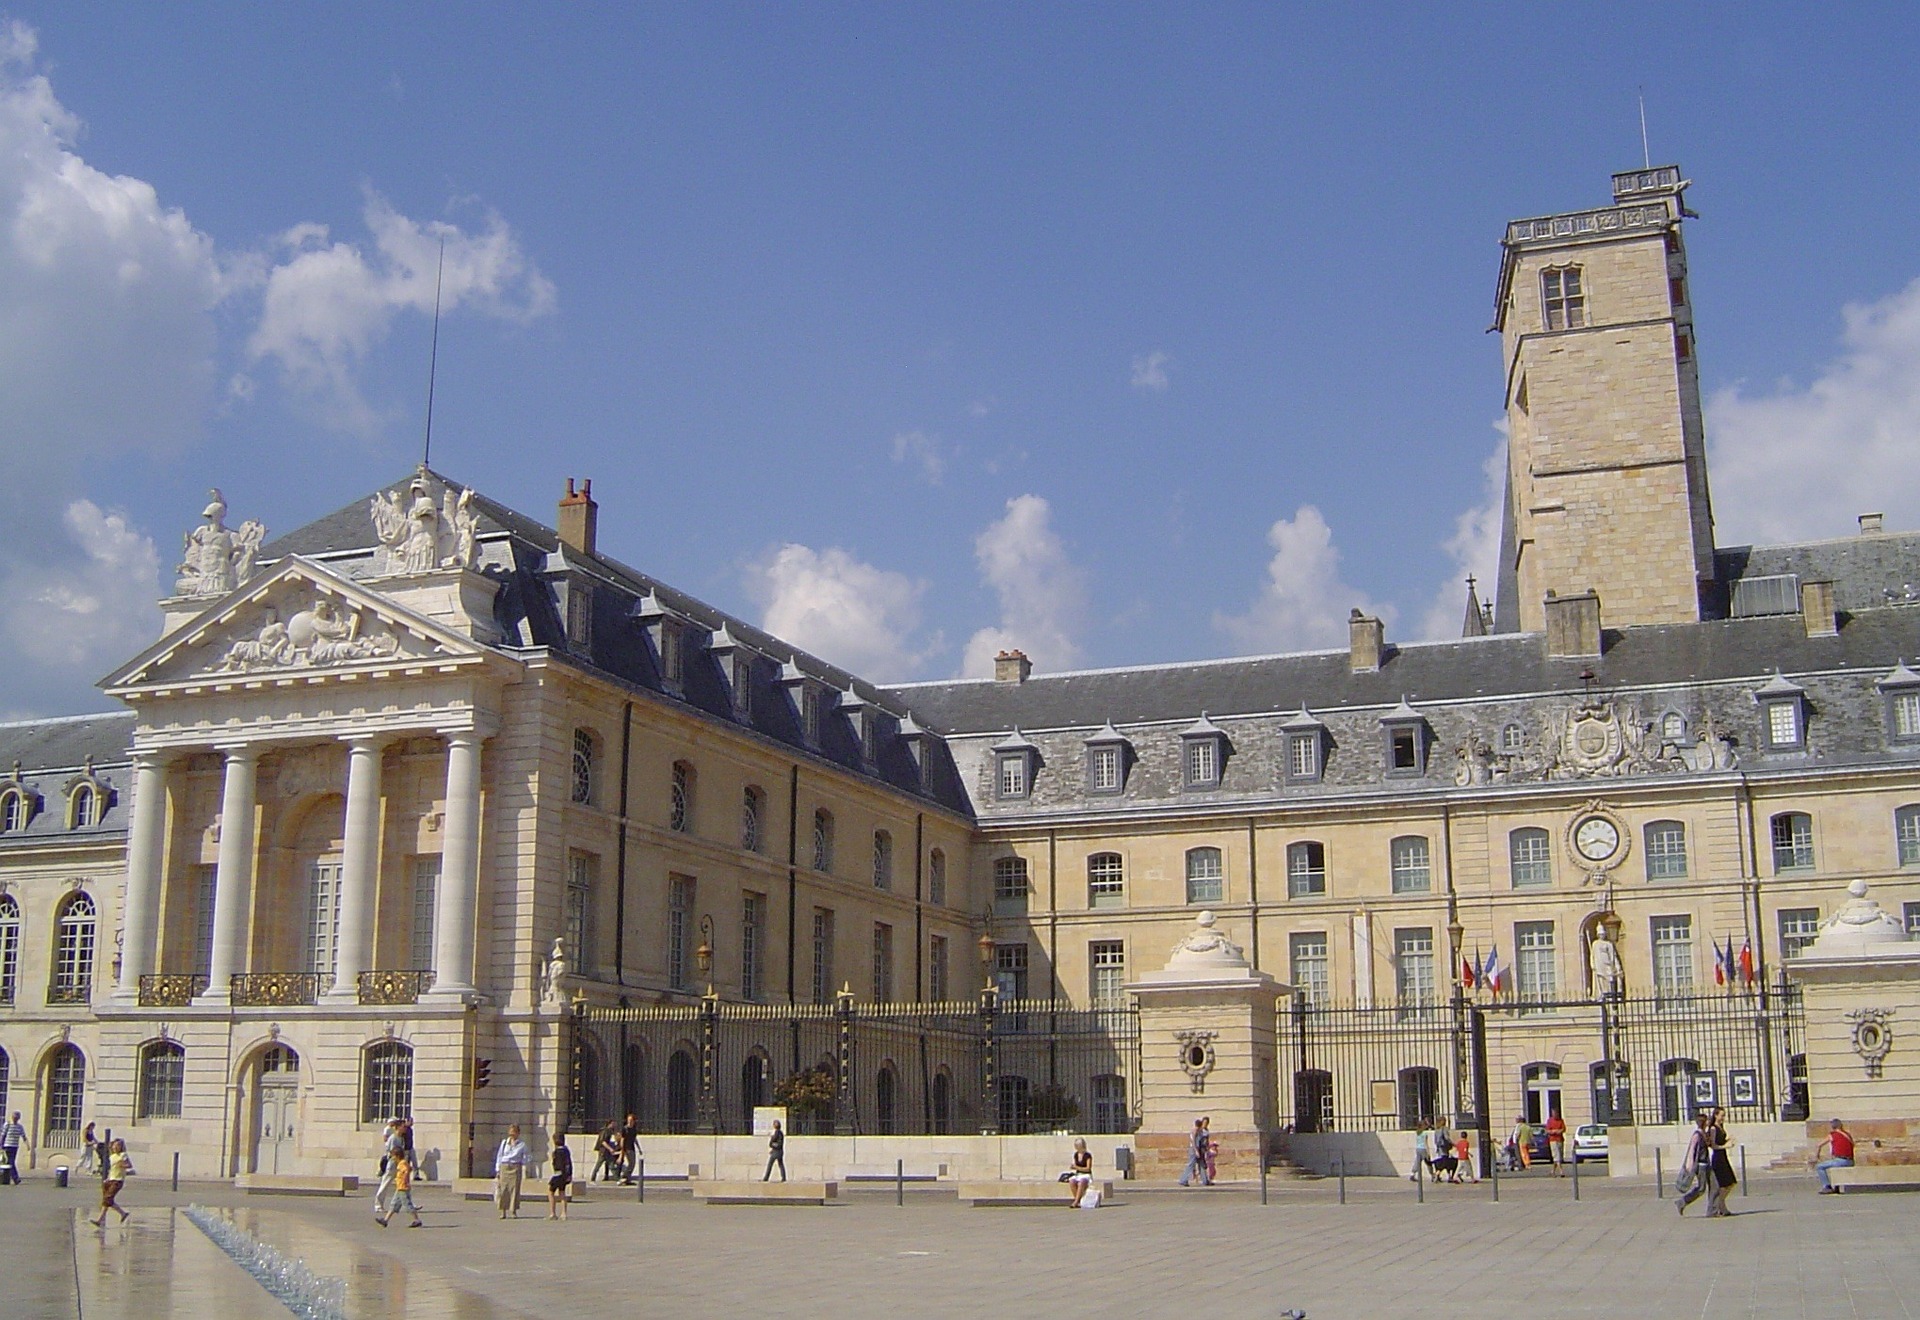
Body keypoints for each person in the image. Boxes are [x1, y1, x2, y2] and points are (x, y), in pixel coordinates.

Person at [1675, 1112, 1711, 1215]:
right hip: (1700, 1165)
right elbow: (1691, 1151)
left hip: (1706, 1163)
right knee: (1701, 1188)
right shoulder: (1697, 1135)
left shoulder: (1703, 1133)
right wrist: (1689, 1166)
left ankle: (1714, 1207)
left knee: (1711, 1185)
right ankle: (1682, 1201)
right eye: (1707, 1120)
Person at [1704, 1109, 1737, 1218]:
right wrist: (1726, 1146)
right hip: (1718, 1158)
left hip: (1723, 1157)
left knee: (1731, 1183)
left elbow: (1721, 1140)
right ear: (1716, 1115)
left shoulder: (1721, 1127)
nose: (1723, 1118)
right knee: (1724, 1183)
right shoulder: (1713, 1128)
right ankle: (1721, 1205)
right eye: (1721, 1115)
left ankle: (1721, 1204)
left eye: (1724, 1116)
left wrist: (1728, 1139)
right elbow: (1714, 1145)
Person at [373, 1118, 405, 1224]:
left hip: (399, 1163)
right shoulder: (393, 1138)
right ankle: (378, 1204)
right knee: (385, 1183)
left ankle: (405, 1204)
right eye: (403, 1126)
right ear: (397, 1127)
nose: (405, 1128)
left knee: (402, 1184)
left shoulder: (401, 1138)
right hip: (393, 1163)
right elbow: (391, 1152)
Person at [495, 1125, 530, 1219]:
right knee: (503, 1190)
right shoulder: (504, 1143)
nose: (512, 1134)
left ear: (518, 1133)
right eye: (510, 1132)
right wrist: (497, 1170)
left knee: (514, 1190)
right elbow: (499, 1156)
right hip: (504, 1166)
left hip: (515, 1167)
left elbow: (526, 1157)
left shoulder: (522, 1145)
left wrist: (523, 1165)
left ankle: (513, 1211)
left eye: (514, 1132)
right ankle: (503, 1211)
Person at [93, 1139, 131, 1227]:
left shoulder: (123, 1155)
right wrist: (107, 1178)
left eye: (118, 1146)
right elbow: (112, 1168)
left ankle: (101, 1219)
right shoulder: (112, 1156)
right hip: (110, 1179)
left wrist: (122, 1165)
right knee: (106, 1201)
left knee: (108, 1198)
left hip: (118, 1180)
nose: (116, 1147)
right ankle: (122, 1214)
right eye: (115, 1145)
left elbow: (129, 1165)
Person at [1814, 1118, 1855, 1194]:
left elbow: (1819, 1145)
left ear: (1832, 1127)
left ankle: (1827, 1186)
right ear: (1841, 1126)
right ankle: (1836, 1186)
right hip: (1850, 1161)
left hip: (1841, 1161)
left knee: (1819, 1167)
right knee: (1835, 1163)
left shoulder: (1832, 1135)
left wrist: (1817, 1156)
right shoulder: (1847, 1135)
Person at [1178, 1117, 1211, 1187]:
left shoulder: (1203, 1130)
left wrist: (1205, 1148)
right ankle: (1183, 1180)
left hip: (1200, 1149)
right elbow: (1193, 1142)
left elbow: (1205, 1140)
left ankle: (1205, 1180)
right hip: (1195, 1150)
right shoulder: (1196, 1130)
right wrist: (1196, 1151)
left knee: (1202, 1165)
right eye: (1204, 1123)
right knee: (1191, 1165)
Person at [547, 1134, 573, 1220]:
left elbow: (556, 1164)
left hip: (557, 1174)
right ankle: (564, 1213)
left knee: (551, 1191)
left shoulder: (557, 1152)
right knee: (562, 1193)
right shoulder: (566, 1151)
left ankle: (552, 1213)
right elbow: (569, 1163)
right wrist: (569, 1174)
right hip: (565, 1175)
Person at [0, 1110, 28, 1185]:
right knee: (7, 1162)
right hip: (7, 1146)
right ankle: (14, 1178)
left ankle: (11, 1178)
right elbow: (3, 1135)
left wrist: (27, 1145)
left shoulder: (19, 1127)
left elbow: (23, 1136)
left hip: (14, 1146)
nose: (15, 1119)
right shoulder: (7, 1124)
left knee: (10, 1162)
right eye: (14, 1117)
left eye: (17, 1117)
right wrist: (1, 1145)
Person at [1067, 1138, 1094, 1207]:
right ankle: (1078, 1200)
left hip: (1086, 1175)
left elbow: (1088, 1169)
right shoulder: (1076, 1155)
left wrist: (1077, 1167)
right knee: (1072, 1181)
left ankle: (1076, 1201)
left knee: (1081, 1183)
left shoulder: (1087, 1155)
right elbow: (1076, 1165)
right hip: (1078, 1174)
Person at [619, 1113, 641, 1184]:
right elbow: (622, 1139)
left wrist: (639, 1148)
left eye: (631, 1120)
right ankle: (624, 1176)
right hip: (627, 1148)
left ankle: (627, 1179)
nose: (630, 1122)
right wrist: (622, 1149)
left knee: (633, 1164)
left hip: (632, 1148)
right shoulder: (625, 1129)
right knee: (631, 1163)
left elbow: (634, 1139)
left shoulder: (634, 1129)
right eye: (629, 1120)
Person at [1545, 1109, 1567, 1176]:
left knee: (1558, 1156)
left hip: (1560, 1140)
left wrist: (1559, 1131)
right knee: (1557, 1155)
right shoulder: (1549, 1121)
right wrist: (1553, 1131)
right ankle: (1561, 1171)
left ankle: (1553, 1171)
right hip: (1553, 1140)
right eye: (1553, 1113)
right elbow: (1547, 1130)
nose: (1555, 1115)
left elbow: (1564, 1129)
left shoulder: (1561, 1120)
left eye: (1556, 1113)